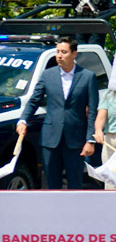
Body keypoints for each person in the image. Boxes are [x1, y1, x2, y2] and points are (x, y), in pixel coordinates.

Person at [16, 37, 98, 189]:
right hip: (50, 139)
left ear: (74, 54)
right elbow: (34, 101)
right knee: (52, 184)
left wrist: (90, 140)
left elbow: (93, 111)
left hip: (75, 140)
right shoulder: (48, 75)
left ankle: (73, 212)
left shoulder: (88, 77)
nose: (59, 55)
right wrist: (23, 120)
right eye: (58, 52)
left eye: (64, 52)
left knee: (75, 184)